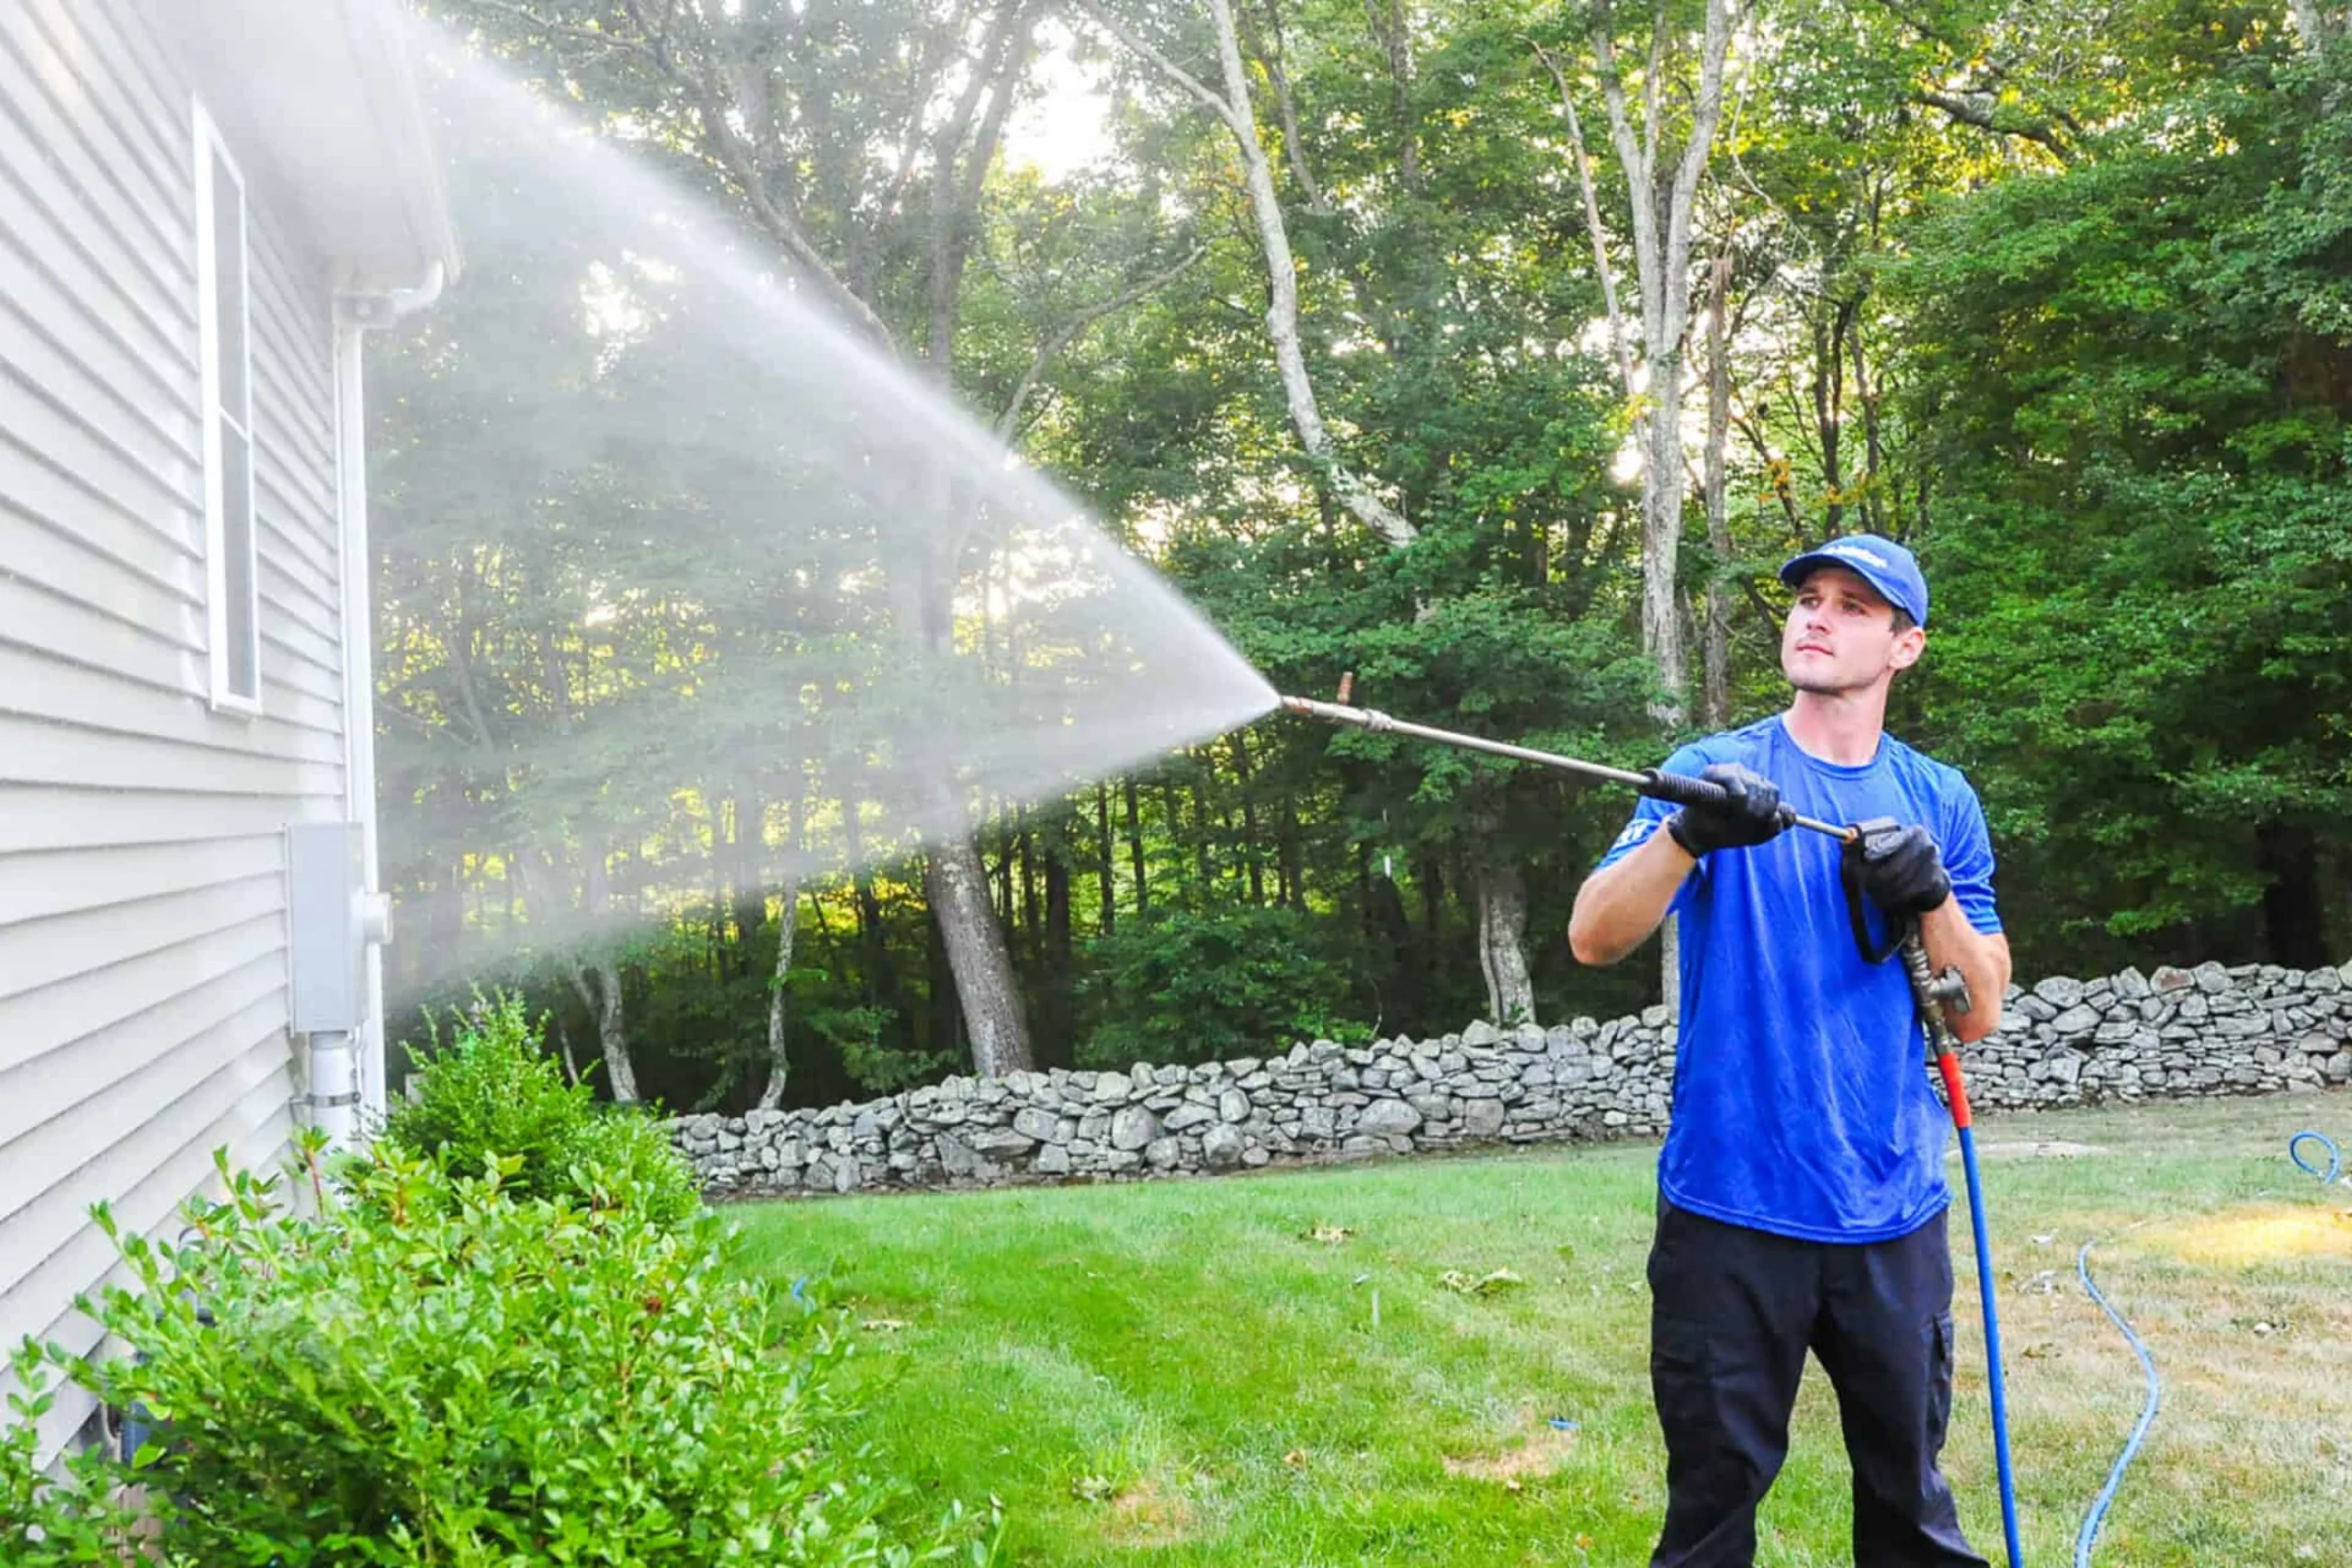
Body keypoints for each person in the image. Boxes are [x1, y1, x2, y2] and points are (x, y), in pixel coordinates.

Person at [1566, 535, 2013, 1568]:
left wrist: (1931, 896)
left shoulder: (1940, 799)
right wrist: (1687, 835)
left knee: (1909, 1506)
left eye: (1854, 606)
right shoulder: (1707, 775)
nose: (1817, 616)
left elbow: (1978, 1009)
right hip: (1726, 1206)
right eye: (1810, 597)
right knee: (1710, 1512)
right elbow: (1593, 935)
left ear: (1905, 646)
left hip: (1889, 1206)